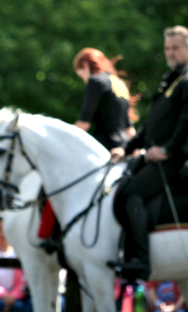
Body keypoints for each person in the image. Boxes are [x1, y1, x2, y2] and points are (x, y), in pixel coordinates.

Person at [109, 26, 188, 282]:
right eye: (167, 48)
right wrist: (126, 148)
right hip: (157, 156)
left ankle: (140, 262)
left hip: (175, 160)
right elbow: (150, 125)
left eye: (175, 48)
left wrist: (166, 150)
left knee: (130, 193)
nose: (170, 52)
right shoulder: (171, 80)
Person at [38, 48, 136, 253]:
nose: (82, 79)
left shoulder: (95, 82)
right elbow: (129, 129)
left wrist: (59, 142)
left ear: (84, 66)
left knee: (55, 181)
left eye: (80, 74)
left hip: (100, 148)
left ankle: (52, 236)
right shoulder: (119, 84)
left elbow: (84, 123)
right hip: (122, 151)